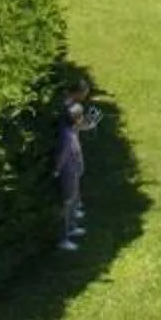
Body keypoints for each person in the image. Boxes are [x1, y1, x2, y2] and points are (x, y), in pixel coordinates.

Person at [54, 88, 94, 248]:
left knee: (73, 201)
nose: (82, 119)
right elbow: (63, 155)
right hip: (68, 173)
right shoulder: (67, 135)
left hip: (74, 171)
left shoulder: (71, 130)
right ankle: (64, 238)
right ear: (75, 118)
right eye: (80, 116)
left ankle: (72, 227)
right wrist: (57, 169)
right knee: (67, 203)